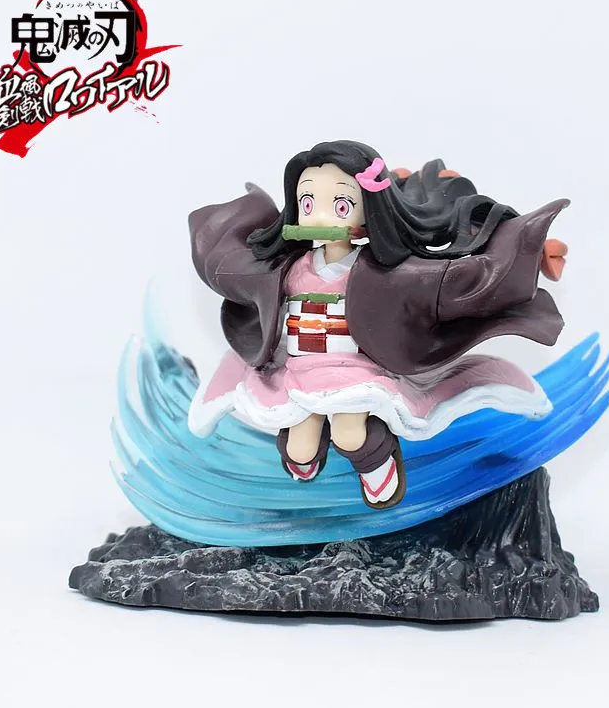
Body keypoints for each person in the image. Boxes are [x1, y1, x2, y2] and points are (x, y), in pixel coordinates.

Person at [187, 140, 568, 510]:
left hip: (355, 370)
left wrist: (528, 253)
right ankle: (307, 455)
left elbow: (465, 280)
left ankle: (376, 463)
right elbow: (231, 272)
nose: (320, 218)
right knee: (299, 447)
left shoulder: (383, 271)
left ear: (369, 208)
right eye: (308, 204)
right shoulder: (288, 268)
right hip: (300, 369)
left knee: (351, 432)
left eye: (340, 205)